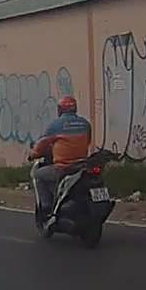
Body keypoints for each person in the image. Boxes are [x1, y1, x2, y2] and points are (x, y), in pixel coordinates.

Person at [27, 95, 92, 225]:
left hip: (64, 167)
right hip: (82, 166)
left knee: (38, 175)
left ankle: (46, 207)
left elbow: (42, 144)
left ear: (60, 109)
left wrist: (32, 154)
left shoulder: (56, 125)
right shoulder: (85, 124)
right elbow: (88, 141)